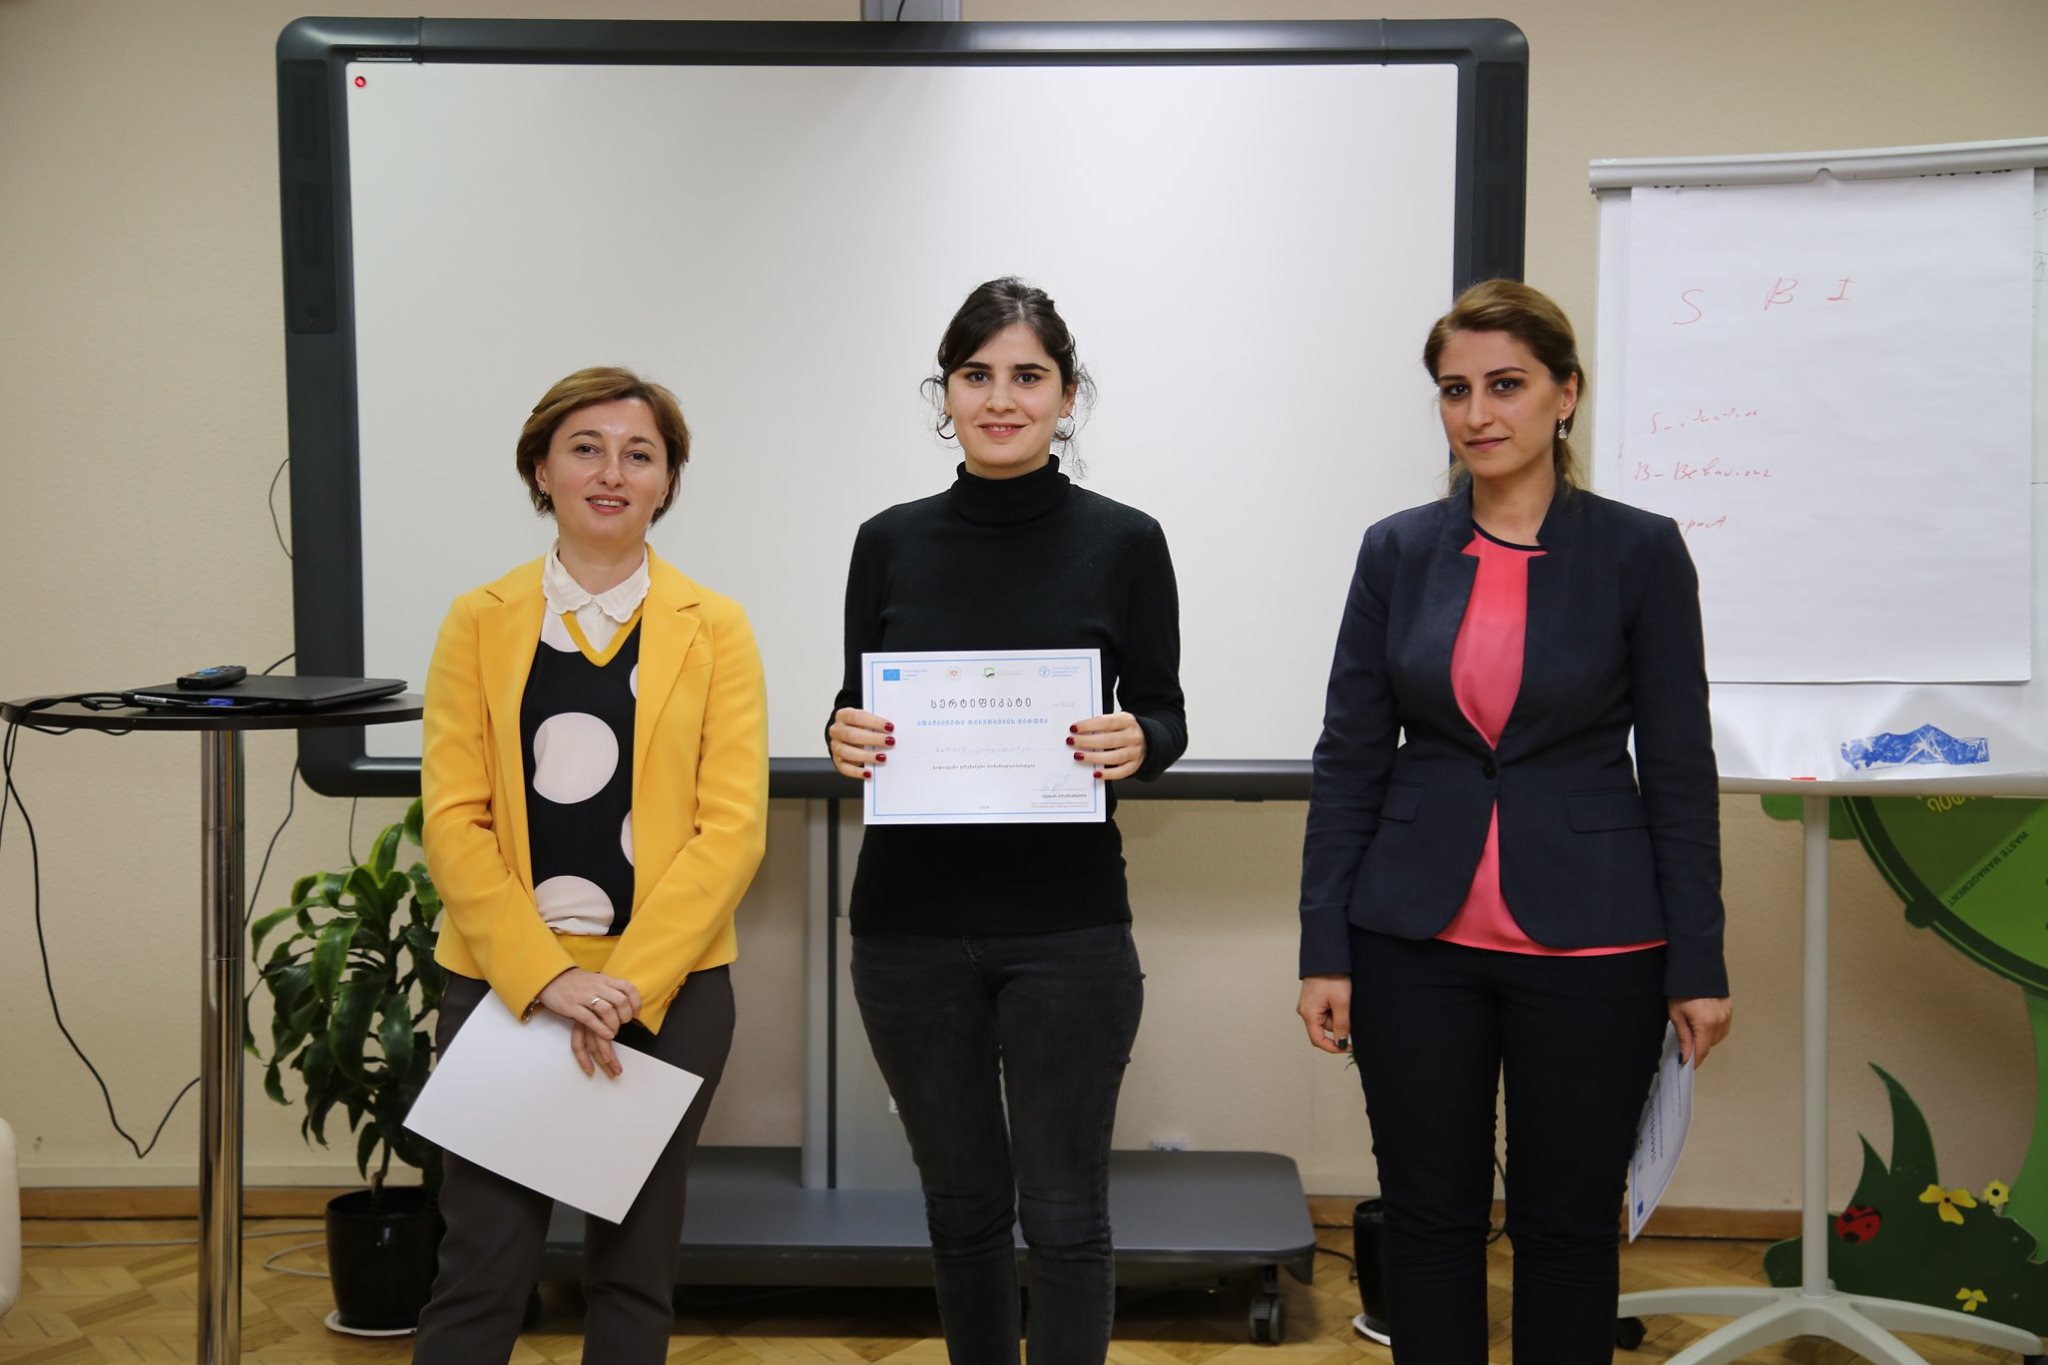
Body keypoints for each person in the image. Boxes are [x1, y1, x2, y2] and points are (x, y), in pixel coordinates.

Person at [1295, 280, 1733, 1363]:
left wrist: (1698, 960)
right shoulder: (1396, 551)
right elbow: (1349, 759)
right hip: (1410, 938)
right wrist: (1324, 946)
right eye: (1455, 390)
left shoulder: (1639, 551)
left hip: (1596, 941)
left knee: (1567, 1228)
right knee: (1427, 1221)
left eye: (1505, 385)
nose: (1477, 413)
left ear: (1564, 394)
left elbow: (1679, 769)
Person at [826, 277, 1186, 1363]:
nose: (999, 398)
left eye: (1027, 376)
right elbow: (855, 704)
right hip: (907, 930)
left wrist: (1139, 740)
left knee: (1067, 1217)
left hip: (1067, 929)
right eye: (975, 375)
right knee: (962, 1210)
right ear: (945, 393)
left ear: (1066, 396)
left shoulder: (1126, 541)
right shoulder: (888, 540)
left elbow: (1162, 711)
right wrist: (843, 732)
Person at [413, 366, 768, 1364]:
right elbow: (455, 819)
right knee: (480, 1272)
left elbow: (731, 829)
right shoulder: (477, 619)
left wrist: (624, 987)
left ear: (666, 482)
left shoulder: (716, 627)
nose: (612, 472)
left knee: (633, 1276)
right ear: (541, 468)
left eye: (639, 454)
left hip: (666, 996)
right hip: (505, 987)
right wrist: (548, 977)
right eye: (586, 448)